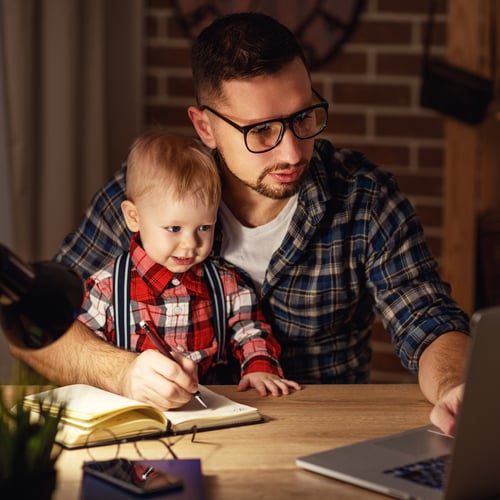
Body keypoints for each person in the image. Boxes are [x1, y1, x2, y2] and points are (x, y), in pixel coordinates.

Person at [10, 12, 470, 434]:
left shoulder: (364, 200)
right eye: (262, 130)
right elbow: (37, 330)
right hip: (169, 442)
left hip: (322, 437)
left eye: (304, 116)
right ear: (205, 127)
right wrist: (123, 372)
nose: (292, 152)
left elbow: (427, 318)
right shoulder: (143, 200)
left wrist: (455, 385)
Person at [77, 129, 299, 398]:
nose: (190, 243)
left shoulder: (225, 284)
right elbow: (87, 349)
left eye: (204, 227)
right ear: (133, 217)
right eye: (174, 228)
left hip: (213, 405)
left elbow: (250, 330)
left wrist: (260, 368)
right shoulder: (107, 288)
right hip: (138, 405)